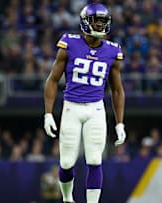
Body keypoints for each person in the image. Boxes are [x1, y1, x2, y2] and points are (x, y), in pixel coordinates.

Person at [43, 3, 126, 203]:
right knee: (66, 162)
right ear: (84, 22)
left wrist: (120, 122)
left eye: (102, 22)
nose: (99, 25)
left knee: (95, 160)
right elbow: (52, 80)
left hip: (96, 109)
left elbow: (117, 89)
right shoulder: (69, 43)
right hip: (71, 106)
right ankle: (67, 198)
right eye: (95, 21)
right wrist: (47, 113)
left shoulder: (112, 51)